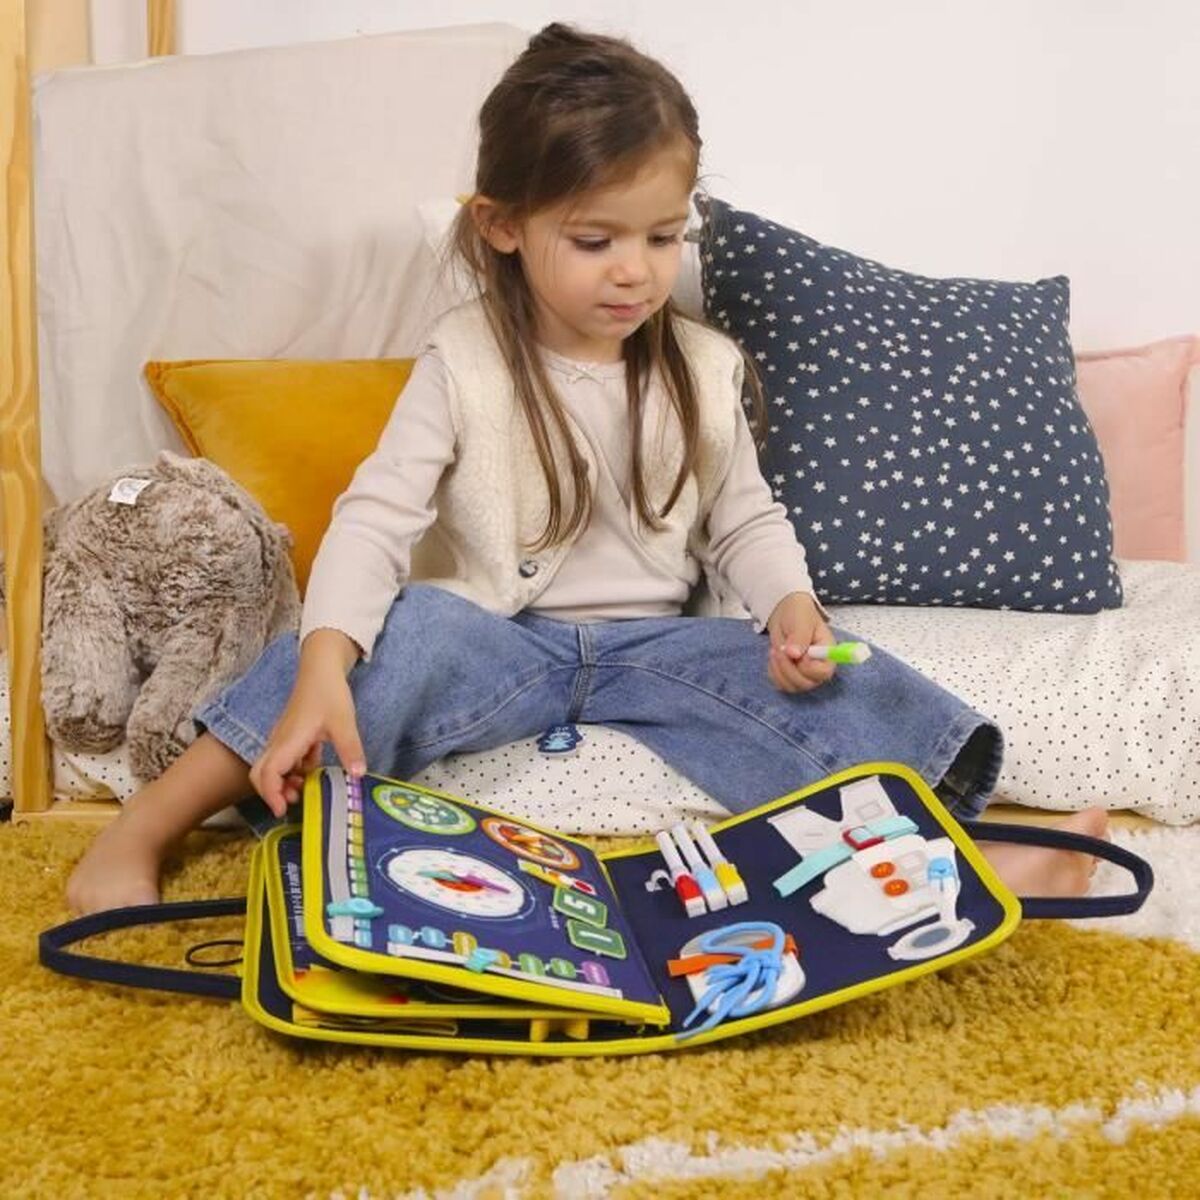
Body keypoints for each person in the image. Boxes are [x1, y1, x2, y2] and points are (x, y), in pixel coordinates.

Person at [67, 23, 1106, 916]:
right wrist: (327, 667)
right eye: (596, 239)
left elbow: (745, 519)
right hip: (501, 641)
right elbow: (376, 520)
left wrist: (791, 607)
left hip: (656, 647)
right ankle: (144, 829)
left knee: (843, 672)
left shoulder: (704, 367)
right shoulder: (463, 360)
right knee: (396, 634)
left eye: (662, 237)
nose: (635, 271)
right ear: (503, 226)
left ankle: (960, 859)